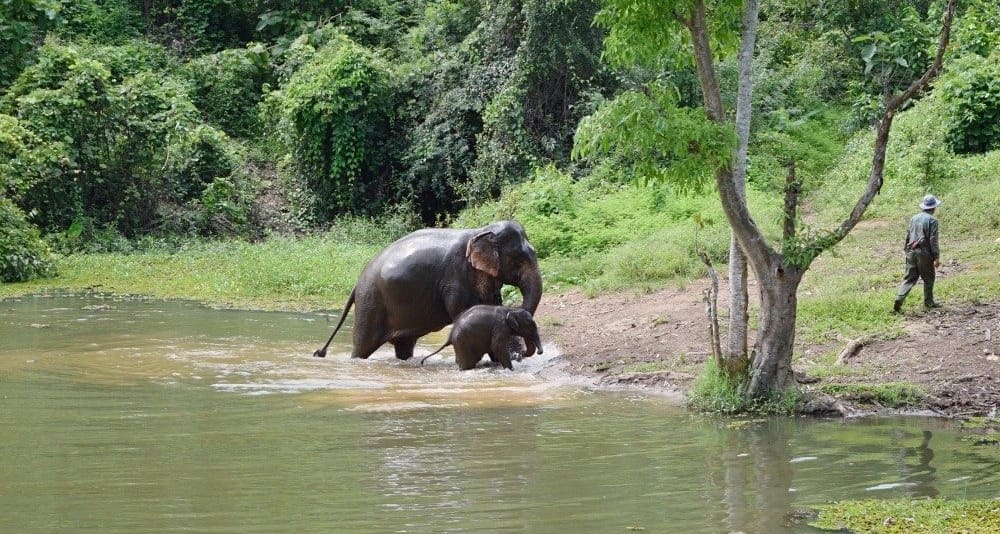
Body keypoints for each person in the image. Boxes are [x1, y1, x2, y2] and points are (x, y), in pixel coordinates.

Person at [893, 194, 941, 313]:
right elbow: (933, 240)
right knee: (929, 277)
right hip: (924, 253)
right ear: (933, 208)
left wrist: (906, 250)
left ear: (924, 207)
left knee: (909, 278)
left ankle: (899, 298)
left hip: (911, 251)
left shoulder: (914, 218)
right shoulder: (933, 221)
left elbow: (908, 235)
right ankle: (929, 302)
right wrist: (936, 257)